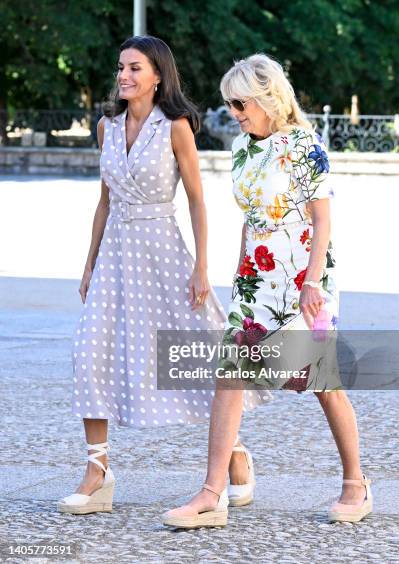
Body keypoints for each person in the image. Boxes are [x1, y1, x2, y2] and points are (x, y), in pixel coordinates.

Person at [57, 36, 270, 515]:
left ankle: (234, 454)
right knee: (89, 350)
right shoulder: (106, 127)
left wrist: (201, 266)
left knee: (195, 352)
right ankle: (98, 472)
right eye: (120, 68)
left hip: (163, 250)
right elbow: (105, 199)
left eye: (135, 68)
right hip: (115, 254)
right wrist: (88, 262)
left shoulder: (175, 128)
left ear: (158, 76)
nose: (124, 76)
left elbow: (196, 198)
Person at [162, 54, 373, 528]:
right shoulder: (242, 147)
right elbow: (249, 218)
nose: (234, 112)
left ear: (268, 98)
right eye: (229, 103)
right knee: (229, 376)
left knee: (321, 383)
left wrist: (312, 282)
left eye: (240, 103)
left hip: (303, 277)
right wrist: (238, 274)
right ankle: (211, 494)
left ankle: (356, 486)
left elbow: (322, 221)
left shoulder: (305, 145)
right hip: (256, 279)